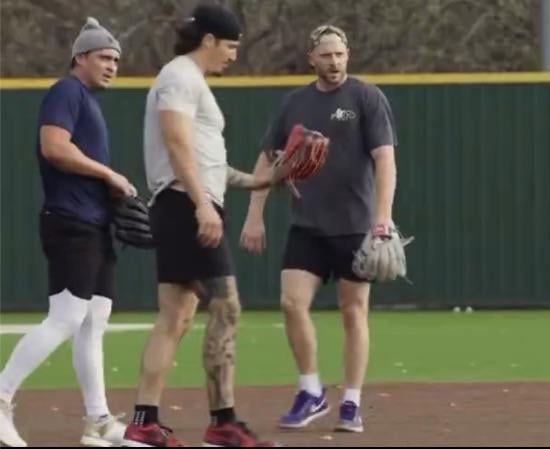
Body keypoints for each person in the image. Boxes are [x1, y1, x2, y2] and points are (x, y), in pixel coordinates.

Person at [121, 4, 279, 447]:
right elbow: (175, 141)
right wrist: (201, 205)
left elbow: (211, 163)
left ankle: (144, 421)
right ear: (208, 40)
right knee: (226, 306)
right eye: (229, 45)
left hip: (185, 202)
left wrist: (265, 180)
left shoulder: (191, 81)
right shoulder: (180, 76)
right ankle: (222, 421)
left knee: (176, 315)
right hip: (185, 205)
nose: (232, 54)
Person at [240, 24, 399, 434]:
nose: (335, 61)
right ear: (312, 58)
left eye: (340, 54)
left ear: (348, 55)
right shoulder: (295, 103)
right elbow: (268, 159)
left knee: (353, 311)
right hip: (307, 224)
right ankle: (311, 390)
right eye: (326, 55)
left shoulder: (366, 97)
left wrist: (381, 219)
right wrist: (254, 213)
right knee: (292, 303)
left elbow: (385, 160)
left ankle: (351, 401)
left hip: (354, 226)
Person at [0, 17, 131, 448]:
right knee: (67, 318)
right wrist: (108, 174)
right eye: (104, 57)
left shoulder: (89, 101)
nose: (112, 65)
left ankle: (98, 421)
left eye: (115, 59)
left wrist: (109, 190)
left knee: (94, 320)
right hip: (70, 221)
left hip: (94, 222)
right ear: (80, 58)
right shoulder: (66, 91)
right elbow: (54, 147)